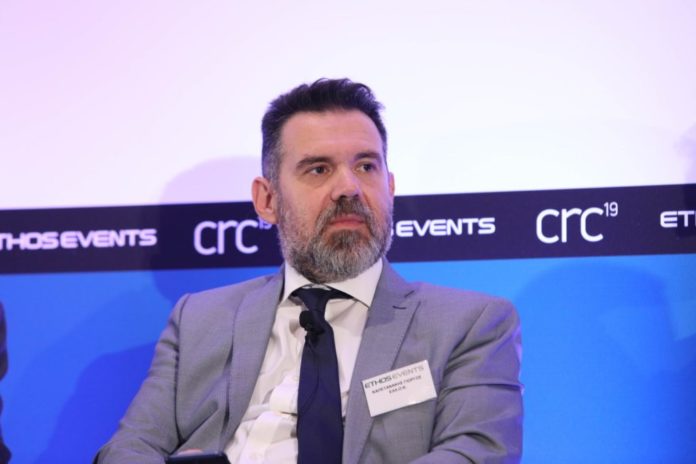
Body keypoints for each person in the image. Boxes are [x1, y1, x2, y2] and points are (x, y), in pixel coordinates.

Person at [96, 78, 523, 463]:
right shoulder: (199, 319)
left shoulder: (468, 324)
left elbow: (477, 452)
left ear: (390, 187)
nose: (349, 188)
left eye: (366, 166)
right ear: (267, 200)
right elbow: (128, 448)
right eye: (319, 169)